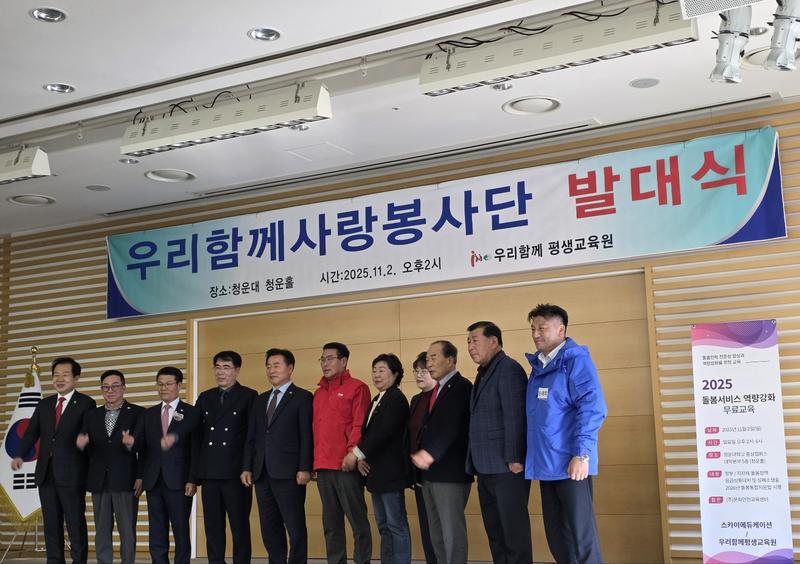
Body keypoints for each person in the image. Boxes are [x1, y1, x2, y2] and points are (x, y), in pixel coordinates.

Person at [525, 304, 608, 564]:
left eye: (542, 328)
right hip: (546, 465)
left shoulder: (575, 361)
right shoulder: (539, 366)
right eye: (533, 329)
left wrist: (581, 454)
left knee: (581, 538)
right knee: (557, 537)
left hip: (572, 465)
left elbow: (593, 407)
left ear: (561, 330)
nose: (536, 334)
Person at [12, 356, 96, 564]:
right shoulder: (44, 404)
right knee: (51, 524)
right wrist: (20, 454)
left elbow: (89, 430)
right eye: (56, 375)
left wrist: (84, 438)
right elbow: (31, 433)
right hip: (46, 473)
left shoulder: (86, 402)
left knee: (75, 523)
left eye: (65, 375)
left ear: (76, 378)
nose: (60, 379)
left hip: (72, 474)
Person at [465, 321, 531, 564]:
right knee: (495, 533)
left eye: (475, 340)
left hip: (507, 468)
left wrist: (515, 458)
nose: (470, 346)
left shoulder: (508, 369)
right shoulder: (483, 372)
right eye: (468, 342)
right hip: (486, 467)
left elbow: (515, 417)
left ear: (493, 341)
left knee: (513, 534)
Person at [241, 348, 313, 564]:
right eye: (268, 366)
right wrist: (247, 467)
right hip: (262, 472)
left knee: (294, 525)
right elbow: (252, 436)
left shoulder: (302, 397)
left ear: (290, 368)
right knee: (269, 526)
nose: (271, 370)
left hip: (290, 472)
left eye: (276, 365)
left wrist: (304, 467)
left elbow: (306, 435)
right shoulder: (260, 399)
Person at [126, 366, 200, 564]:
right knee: (157, 530)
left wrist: (192, 479)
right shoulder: (148, 414)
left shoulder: (192, 412)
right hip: (153, 480)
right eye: (160, 384)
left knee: (180, 530)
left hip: (180, 481)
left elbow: (195, 449)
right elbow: (142, 449)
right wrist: (132, 445)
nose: (163, 388)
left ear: (179, 385)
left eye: (168, 384)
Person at [344, 353, 411, 564]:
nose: (376, 375)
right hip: (375, 474)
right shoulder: (377, 399)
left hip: (390, 474)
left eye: (382, 370)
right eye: (374, 371)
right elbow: (369, 436)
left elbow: (384, 433)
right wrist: (362, 458)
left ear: (395, 374)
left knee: (396, 525)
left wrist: (356, 454)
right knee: (383, 525)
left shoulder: (396, 399)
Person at [411, 341, 472, 564]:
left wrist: (429, 453)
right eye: (427, 358)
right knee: (435, 532)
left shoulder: (461, 387)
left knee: (451, 533)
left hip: (450, 474)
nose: (429, 363)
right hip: (430, 475)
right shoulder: (436, 390)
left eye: (434, 357)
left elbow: (451, 426)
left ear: (450, 360)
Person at [194, 351, 257, 564]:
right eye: (218, 367)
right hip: (210, 472)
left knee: (239, 526)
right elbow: (196, 434)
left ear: (237, 370)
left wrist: (248, 467)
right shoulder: (205, 397)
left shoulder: (249, 396)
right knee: (212, 527)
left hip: (236, 473)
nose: (221, 372)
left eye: (226, 367)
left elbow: (251, 436)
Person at [312, 342, 372, 564]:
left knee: (357, 521)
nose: (325, 363)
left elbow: (359, 424)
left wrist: (353, 454)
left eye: (330, 358)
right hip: (323, 466)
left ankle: (362, 561)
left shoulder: (357, 388)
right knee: (331, 524)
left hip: (346, 465)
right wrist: (313, 462)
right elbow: (314, 430)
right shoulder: (318, 393)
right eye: (322, 359)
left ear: (344, 361)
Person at [76, 370, 144, 564]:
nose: (110, 390)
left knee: (127, 530)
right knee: (102, 529)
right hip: (99, 479)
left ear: (123, 388)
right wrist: (81, 444)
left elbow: (145, 449)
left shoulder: (138, 412)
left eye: (115, 386)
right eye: (105, 387)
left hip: (126, 479)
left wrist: (140, 475)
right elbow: (84, 444)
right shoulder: (91, 415)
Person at [407, 352, 438, 564]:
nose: (419, 375)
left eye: (423, 371)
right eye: (416, 371)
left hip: (438, 473)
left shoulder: (441, 396)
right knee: (426, 526)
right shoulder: (416, 400)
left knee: (440, 527)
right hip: (419, 475)